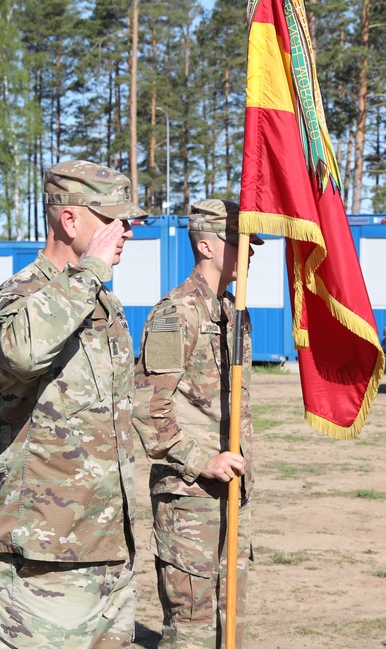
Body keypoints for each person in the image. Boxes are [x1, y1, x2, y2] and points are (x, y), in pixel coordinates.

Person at [0, 159, 149, 648]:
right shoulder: (12, 299)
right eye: (114, 218)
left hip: (109, 550)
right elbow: (23, 353)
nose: (126, 232)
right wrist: (90, 267)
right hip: (41, 563)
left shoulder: (102, 304)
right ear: (69, 219)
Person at [133, 198, 262, 649]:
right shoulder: (177, 313)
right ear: (206, 245)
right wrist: (201, 460)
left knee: (230, 622)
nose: (249, 253)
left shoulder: (233, 312)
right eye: (239, 243)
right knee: (192, 627)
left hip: (231, 491)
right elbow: (148, 409)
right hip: (190, 498)